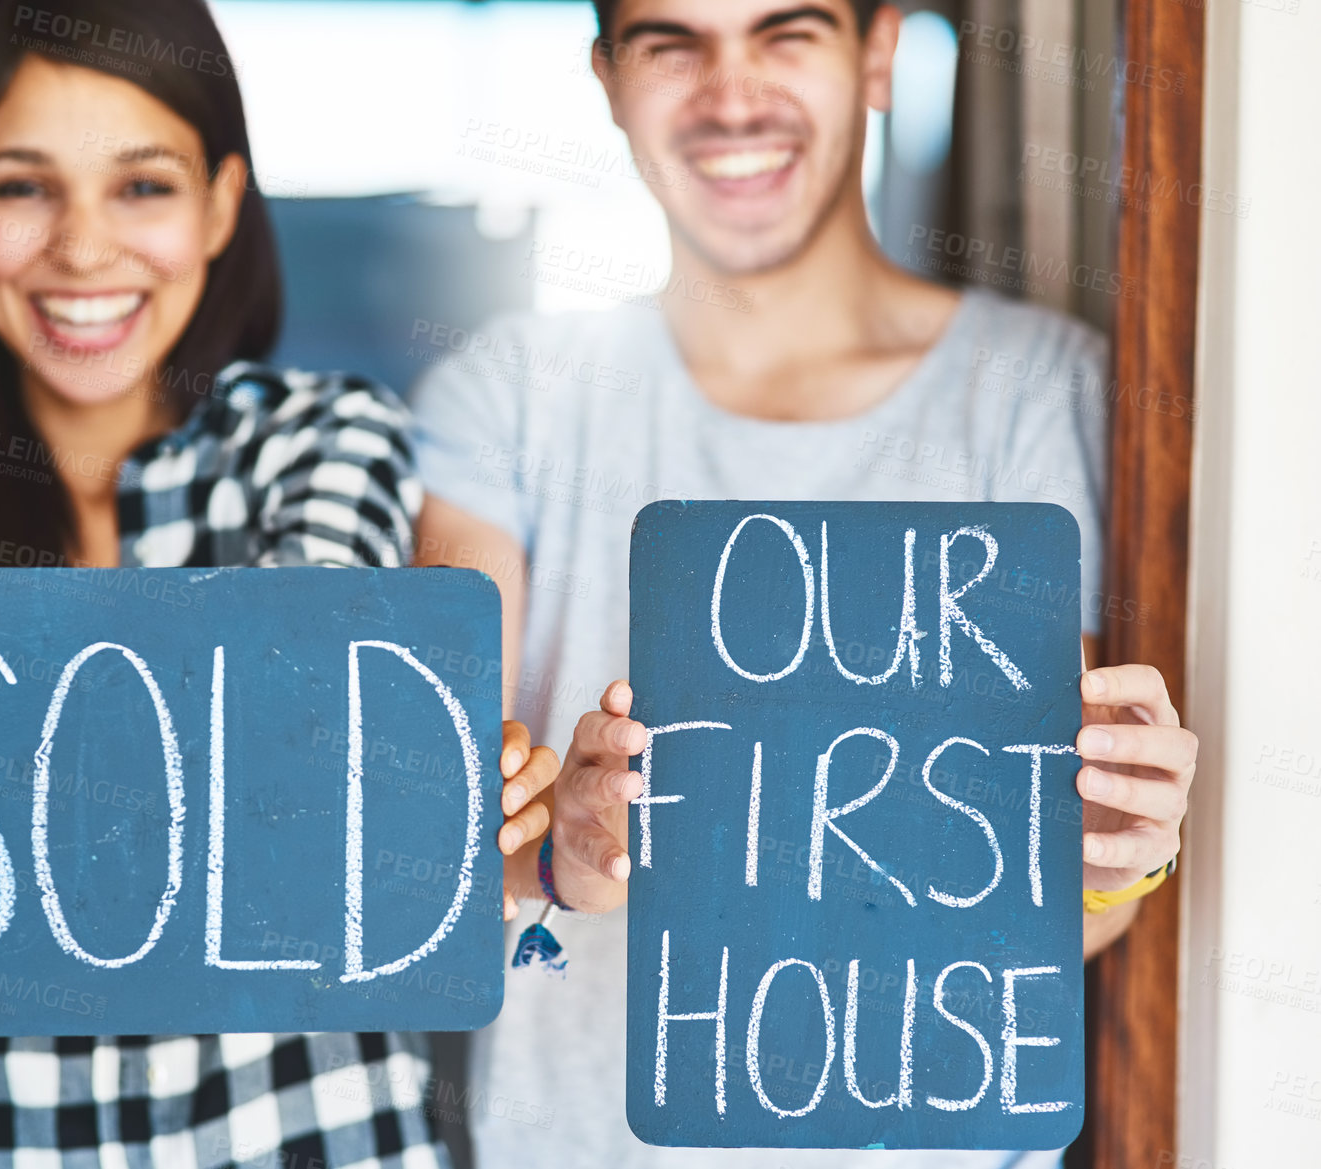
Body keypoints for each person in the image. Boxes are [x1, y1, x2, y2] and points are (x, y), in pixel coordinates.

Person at [0, 2, 558, 1165]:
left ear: (222, 201)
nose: (83, 249)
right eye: (24, 186)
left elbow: (292, 702)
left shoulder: (328, 436)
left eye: (142, 186)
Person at [409, 1, 1197, 1165]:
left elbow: (1067, 890)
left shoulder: (1042, 387)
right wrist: (564, 859)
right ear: (607, 79)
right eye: (672, 44)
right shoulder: (508, 392)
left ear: (875, 56)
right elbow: (428, 846)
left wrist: (1114, 850)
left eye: (786, 33)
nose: (731, 94)